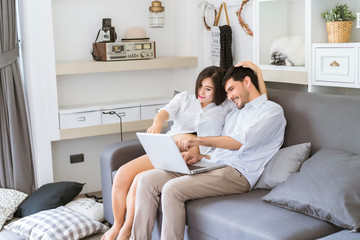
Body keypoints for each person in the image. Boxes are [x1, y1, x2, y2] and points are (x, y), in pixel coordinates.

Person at [102, 63, 267, 240]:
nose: (201, 92)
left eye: (208, 88)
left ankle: (127, 230)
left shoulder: (227, 106)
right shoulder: (185, 99)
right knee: (123, 175)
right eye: (200, 86)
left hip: (195, 157)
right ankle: (118, 226)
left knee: (140, 181)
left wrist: (258, 73)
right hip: (169, 148)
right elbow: (164, 113)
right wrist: (158, 123)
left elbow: (258, 106)